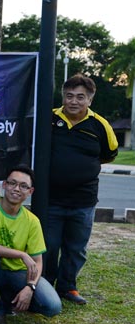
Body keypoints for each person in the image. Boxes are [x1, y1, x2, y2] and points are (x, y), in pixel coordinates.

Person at [44, 74, 119, 305]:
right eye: (69, 96)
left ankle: (68, 287)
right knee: (49, 246)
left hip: (83, 201)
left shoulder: (100, 125)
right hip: (51, 200)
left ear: (90, 100)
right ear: (63, 97)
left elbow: (110, 154)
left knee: (76, 248)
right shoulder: (49, 119)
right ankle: (45, 287)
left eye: (80, 97)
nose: (74, 101)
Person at [0, 165, 62, 324]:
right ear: (4, 185)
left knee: (53, 306)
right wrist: (21, 254)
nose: (16, 189)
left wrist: (30, 287)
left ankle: (10, 298)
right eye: (12, 183)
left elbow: (38, 262)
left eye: (23, 186)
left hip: (16, 273)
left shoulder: (32, 221)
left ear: (30, 192)